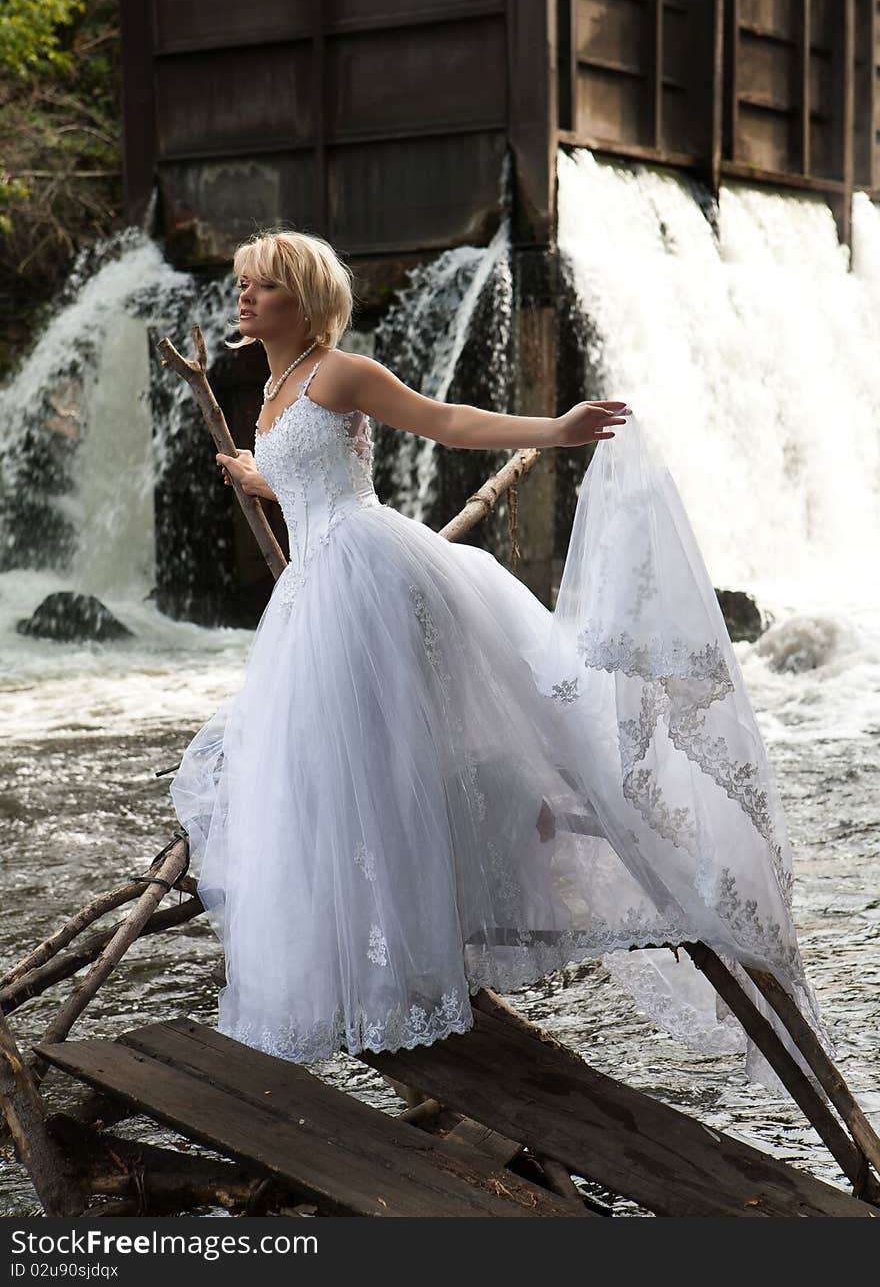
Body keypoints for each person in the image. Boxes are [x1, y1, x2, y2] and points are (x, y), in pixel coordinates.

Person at [170, 229, 823, 1082]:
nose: (245, 299)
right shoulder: (273, 382)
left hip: (366, 575)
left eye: (262, 287)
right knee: (319, 768)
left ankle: (433, 940)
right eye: (242, 285)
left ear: (304, 299)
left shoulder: (341, 372)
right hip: (314, 591)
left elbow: (444, 422)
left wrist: (554, 430)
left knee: (387, 759)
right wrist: (260, 477)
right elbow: (305, 477)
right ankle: (377, 948)